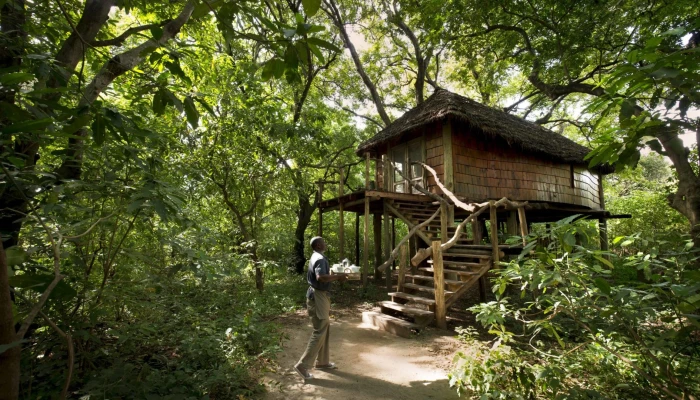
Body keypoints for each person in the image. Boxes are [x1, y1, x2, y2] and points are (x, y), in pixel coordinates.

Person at [294, 236, 347, 380]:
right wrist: (338, 277)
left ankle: (322, 362)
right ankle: (302, 365)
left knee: (325, 328)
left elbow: (322, 275)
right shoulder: (320, 258)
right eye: (324, 241)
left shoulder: (316, 256)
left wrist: (333, 274)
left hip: (319, 295)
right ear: (318, 245)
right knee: (320, 330)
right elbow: (320, 277)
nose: (326, 243)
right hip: (318, 296)